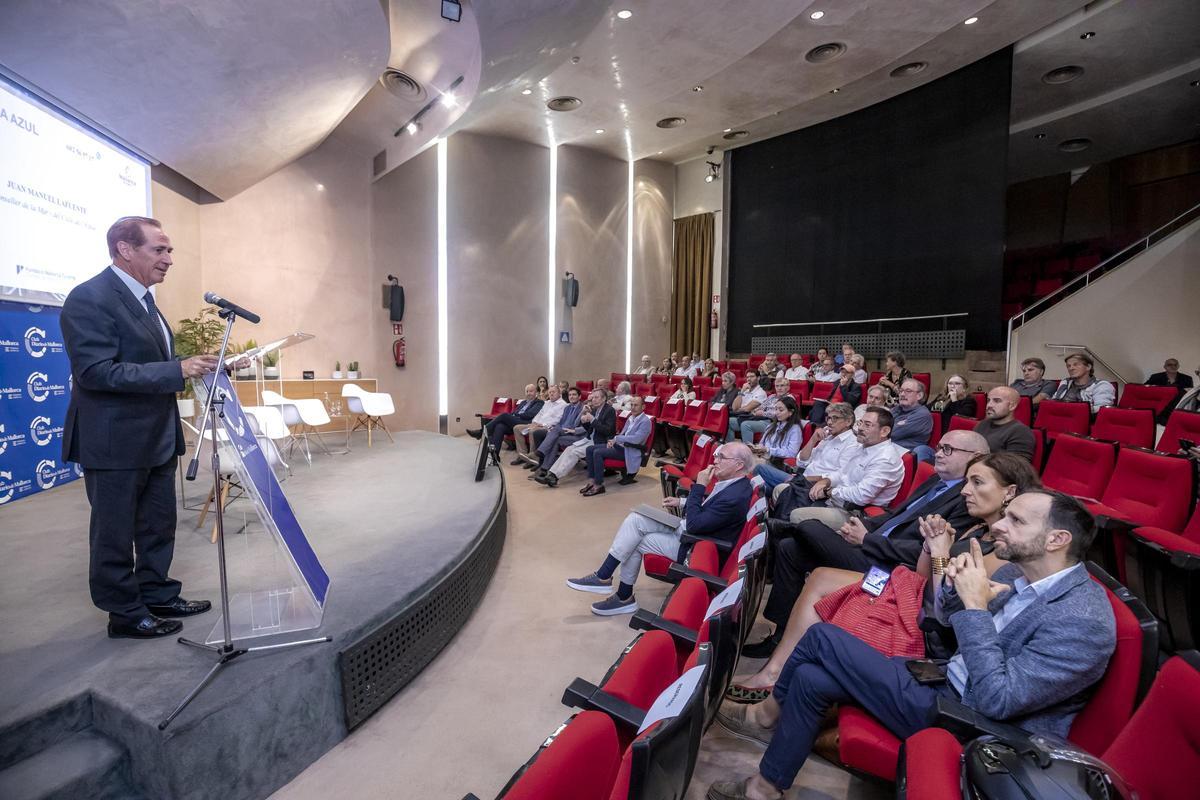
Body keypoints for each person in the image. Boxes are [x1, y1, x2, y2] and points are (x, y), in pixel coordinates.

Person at [709, 490, 1115, 800]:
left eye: (1016, 520)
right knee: (814, 677)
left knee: (823, 637)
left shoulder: (1082, 619)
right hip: (942, 681)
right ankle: (765, 787)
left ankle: (766, 715)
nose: (999, 525)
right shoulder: (1019, 572)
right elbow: (942, 618)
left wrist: (974, 607)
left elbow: (997, 700)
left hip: (977, 724)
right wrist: (955, 582)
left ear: (1056, 539)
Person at [731, 452, 1038, 697]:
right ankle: (776, 669)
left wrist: (941, 554)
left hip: (924, 618)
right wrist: (929, 548)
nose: (966, 491)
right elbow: (924, 576)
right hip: (911, 586)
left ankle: (778, 673)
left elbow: (948, 608)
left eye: (977, 483)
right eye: (968, 482)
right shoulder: (978, 527)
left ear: (1010, 491)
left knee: (818, 564)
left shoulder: (1007, 551)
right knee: (818, 572)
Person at [60, 216, 216, 639]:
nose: (169, 260)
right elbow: (95, 372)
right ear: (125, 250)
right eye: (159, 250)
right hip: (113, 442)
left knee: (157, 525)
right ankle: (125, 614)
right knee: (114, 533)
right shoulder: (89, 298)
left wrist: (192, 365)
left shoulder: (145, 300)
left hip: (155, 439)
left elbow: (149, 363)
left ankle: (157, 592)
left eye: (170, 251)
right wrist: (175, 369)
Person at [567, 443, 753, 614]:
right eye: (717, 455)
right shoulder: (734, 484)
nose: (715, 460)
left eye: (721, 457)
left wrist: (699, 486)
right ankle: (605, 578)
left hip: (697, 546)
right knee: (636, 519)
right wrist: (682, 501)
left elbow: (695, 525)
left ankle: (620, 593)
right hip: (693, 531)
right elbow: (711, 508)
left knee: (636, 539)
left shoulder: (735, 496)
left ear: (738, 465)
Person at [773, 407, 907, 530]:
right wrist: (826, 481)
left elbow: (862, 496)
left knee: (797, 515)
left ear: (884, 431)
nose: (860, 428)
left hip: (855, 513)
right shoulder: (865, 447)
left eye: (867, 425)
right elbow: (843, 473)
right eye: (860, 423)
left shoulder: (886, 459)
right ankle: (776, 538)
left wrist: (829, 491)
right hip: (836, 499)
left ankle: (783, 546)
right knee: (783, 492)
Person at [535, 390, 616, 487]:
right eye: (593, 398)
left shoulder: (609, 410)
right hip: (589, 439)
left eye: (596, 397)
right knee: (570, 449)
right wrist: (584, 421)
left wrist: (592, 420)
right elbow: (588, 428)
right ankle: (551, 473)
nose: (593, 400)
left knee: (574, 452)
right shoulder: (594, 410)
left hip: (600, 442)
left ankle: (555, 476)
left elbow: (608, 431)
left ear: (603, 399)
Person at [581, 395, 651, 495]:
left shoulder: (645, 421)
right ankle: (592, 481)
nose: (632, 407)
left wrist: (617, 439)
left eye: (636, 405)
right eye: (631, 405)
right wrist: (613, 440)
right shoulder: (631, 418)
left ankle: (598, 485)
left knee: (597, 452)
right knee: (589, 449)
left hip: (629, 450)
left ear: (643, 407)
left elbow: (636, 439)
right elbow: (622, 434)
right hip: (620, 446)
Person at [749, 396, 805, 492]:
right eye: (776, 409)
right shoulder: (771, 426)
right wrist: (756, 448)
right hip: (764, 458)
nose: (777, 413)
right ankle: (765, 493)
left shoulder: (795, 429)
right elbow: (762, 444)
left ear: (791, 412)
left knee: (757, 469)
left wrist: (768, 450)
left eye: (781, 410)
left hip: (778, 464)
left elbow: (792, 453)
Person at [467, 383, 543, 453]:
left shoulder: (539, 402)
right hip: (516, 421)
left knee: (504, 415)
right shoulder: (523, 402)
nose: (528, 393)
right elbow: (514, 412)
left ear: (536, 393)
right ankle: (495, 453)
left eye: (531, 391)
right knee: (500, 426)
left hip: (526, 423)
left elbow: (530, 414)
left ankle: (481, 432)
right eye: (527, 391)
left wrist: (515, 415)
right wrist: (514, 415)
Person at [523, 386, 584, 469]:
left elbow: (579, 425)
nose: (571, 397)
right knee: (539, 433)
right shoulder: (568, 407)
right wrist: (553, 428)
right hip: (562, 431)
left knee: (553, 435)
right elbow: (561, 422)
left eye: (574, 395)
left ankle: (540, 457)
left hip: (574, 433)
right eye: (570, 395)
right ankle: (543, 466)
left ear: (579, 396)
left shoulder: (583, 408)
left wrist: (571, 430)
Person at [974, 386, 1036, 461]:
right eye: (988, 400)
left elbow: (1016, 466)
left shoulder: (1021, 432)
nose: (989, 405)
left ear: (1012, 406)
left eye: (997, 401)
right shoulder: (983, 424)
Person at [512, 384, 565, 464]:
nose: (551, 394)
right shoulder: (547, 403)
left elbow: (557, 420)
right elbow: (539, 414)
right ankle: (523, 455)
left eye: (553, 392)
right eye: (550, 392)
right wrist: (534, 422)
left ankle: (533, 459)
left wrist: (542, 424)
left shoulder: (563, 405)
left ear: (559, 393)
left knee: (532, 431)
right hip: (537, 424)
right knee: (517, 428)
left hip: (548, 427)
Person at [1051, 351, 1115, 412]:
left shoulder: (1102, 385)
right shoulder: (1065, 383)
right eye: (1068, 366)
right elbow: (1053, 402)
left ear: (1088, 367)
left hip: (1085, 421)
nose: (1071, 368)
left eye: (1076, 364)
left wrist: (1070, 409)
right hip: (1059, 418)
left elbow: (1101, 410)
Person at [737, 377, 793, 443]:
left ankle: (747, 451)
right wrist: (755, 410)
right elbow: (762, 406)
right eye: (777, 386)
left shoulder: (789, 398)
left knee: (746, 425)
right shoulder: (772, 396)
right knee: (731, 422)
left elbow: (782, 414)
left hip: (774, 422)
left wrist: (763, 413)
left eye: (782, 385)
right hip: (761, 418)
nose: (779, 388)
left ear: (788, 387)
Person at [891, 378, 935, 456]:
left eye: (908, 391)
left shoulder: (922, 414)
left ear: (919, 396)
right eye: (900, 391)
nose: (902, 394)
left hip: (904, 455)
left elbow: (891, 433)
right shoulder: (897, 408)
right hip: (888, 449)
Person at [727, 369, 767, 440]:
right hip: (743, 416)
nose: (749, 379)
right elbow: (734, 407)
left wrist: (738, 409)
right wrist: (741, 391)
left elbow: (747, 409)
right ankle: (730, 446)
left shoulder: (761, 393)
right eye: (747, 377)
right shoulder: (745, 391)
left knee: (743, 424)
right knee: (726, 420)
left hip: (753, 419)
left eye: (752, 376)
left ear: (758, 378)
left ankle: (747, 449)